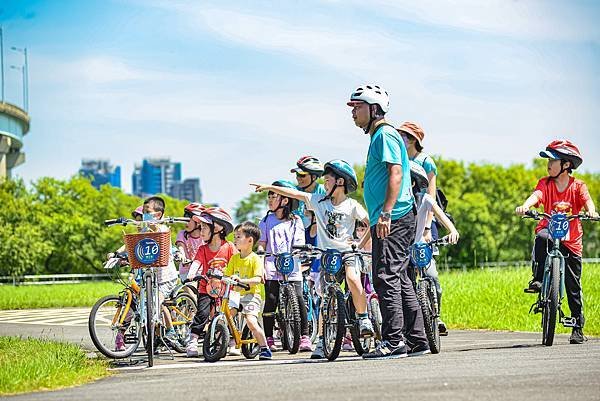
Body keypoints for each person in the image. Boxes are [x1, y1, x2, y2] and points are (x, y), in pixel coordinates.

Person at [252, 160, 374, 360]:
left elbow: (371, 224)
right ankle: (324, 342)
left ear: (340, 182)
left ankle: (363, 319)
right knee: (326, 299)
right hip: (327, 255)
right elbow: (296, 194)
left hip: (347, 252)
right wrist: (270, 187)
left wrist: (359, 245)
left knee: (353, 278)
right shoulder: (319, 201)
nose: (324, 184)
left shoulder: (352, 206)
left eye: (327, 180)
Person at [347, 84, 427, 359]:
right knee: (401, 277)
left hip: (393, 217)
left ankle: (394, 342)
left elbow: (395, 173)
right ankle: (417, 340)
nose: (353, 113)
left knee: (386, 276)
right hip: (395, 216)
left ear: (374, 109)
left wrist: (385, 213)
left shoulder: (384, 135)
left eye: (357, 107)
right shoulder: (379, 136)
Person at [515, 140, 598, 344]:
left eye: (553, 160)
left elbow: (587, 201)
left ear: (566, 164)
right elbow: (537, 195)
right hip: (549, 232)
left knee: (573, 286)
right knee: (542, 237)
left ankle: (577, 327)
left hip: (571, 241)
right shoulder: (546, 183)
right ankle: (538, 278)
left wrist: (591, 211)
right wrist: (525, 206)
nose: (548, 164)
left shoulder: (578, 186)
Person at [256, 180, 312, 353]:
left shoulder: (296, 221)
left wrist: (300, 251)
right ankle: (269, 337)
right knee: (271, 301)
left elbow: (299, 243)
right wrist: (260, 254)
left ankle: (304, 336)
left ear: (285, 200)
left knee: (298, 297)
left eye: (274, 195)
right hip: (272, 265)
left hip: (291, 265)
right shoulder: (266, 220)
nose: (270, 199)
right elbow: (262, 243)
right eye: (269, 196)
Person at [409, 161, 459, 337]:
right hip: (404, 249)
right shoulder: (397, 204)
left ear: (414, 183)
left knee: (433, 278)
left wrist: (452, 230)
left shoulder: (425, 199)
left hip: (421, 245)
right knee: (407, 285)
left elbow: (441, 215)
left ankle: (436, 316)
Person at [185, 207, 237, 357]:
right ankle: (193, 341)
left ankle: (233, 341)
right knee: (202, 314)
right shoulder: (203, 249)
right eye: (200, 227)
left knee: (230, 314)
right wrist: (191, 274)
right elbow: (197, 263)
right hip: (205, 287)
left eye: (205, 227)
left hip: (225, 289)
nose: (201, 231)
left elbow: (236, 263)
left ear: (218, 228)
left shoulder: (229, 247)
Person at [225, 221, 272, 360]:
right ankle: (229, 342)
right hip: (235, 295)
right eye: (235, 237)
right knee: (226, 316)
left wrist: (241, 281)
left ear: (250, 240)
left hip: (251, 295)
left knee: (251, 321)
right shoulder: (234, 258)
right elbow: (227, 275)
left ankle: (265, 348)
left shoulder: (255, 259)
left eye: (238, 237)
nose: (235, 240)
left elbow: (258, 279)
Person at [398, 122, 439, 242]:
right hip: (404, 217)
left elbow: (431, 197)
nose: (399, 138)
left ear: (413, 140)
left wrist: (427, 228)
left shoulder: (426, 161)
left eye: (403, 135)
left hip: (423, 219)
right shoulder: (399, 160)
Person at [175, 203, 205, 301]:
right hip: (186, 272)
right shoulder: (182, 234)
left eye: (188, 221)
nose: (185, 224)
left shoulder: (205, 236)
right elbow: (181, 247)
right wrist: (182, 255)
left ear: (198, 222)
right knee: (191, 296)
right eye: (184, 221)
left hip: (202, 272)